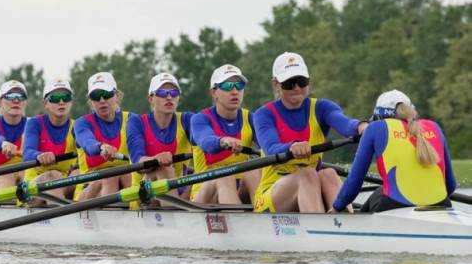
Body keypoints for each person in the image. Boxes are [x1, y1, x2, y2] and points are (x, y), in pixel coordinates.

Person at [253, 52, 367, 213]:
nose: (297, 88)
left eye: (301, 81)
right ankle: (321, 229)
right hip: (271, 195)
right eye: (290, 83)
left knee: (328, 173)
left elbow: (345, 123)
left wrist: (361, 126)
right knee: (307, 174)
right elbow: (271, 147)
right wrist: (292, 147)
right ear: (276, 84)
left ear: (308, 82)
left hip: (309, 187)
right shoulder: (263, 114)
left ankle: (345, 223)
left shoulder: (322, 108)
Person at [330, 90, 456, 213]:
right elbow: (450, 186)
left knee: (378, 194)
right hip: (441, 204)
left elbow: (354, 182)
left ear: (378, 116)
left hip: (395, 206)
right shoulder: (434, 127)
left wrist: (337, 207)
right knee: (380, 191)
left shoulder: (375, 128)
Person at [190, 64, 261, 205]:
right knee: (224, 175)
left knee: (253, 172)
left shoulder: (250, 118)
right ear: (214, 92)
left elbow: (268, 145)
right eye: (228, 86)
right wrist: (222, 141)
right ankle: (241, 220)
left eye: (239, 85)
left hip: (239, 190)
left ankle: (264, 218)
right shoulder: (200, 119)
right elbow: (206, 142)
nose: (235, 91)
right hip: (204, 194)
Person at [127, 73, 193, 206]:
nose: (169, 97)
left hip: (179, 189)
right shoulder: (136, 122)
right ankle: (174, 216)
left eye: (174, 92)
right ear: (151, 98)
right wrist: (157, 159)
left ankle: (175, 210)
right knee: (163, 168)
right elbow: (138, 162)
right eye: (162, 92)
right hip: (142, 192)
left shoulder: (187, 119)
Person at [73, 72, 133, 200]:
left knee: (127, 175)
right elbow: (88, 143)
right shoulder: (82, 123)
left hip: (126, 182)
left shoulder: (132, 120)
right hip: (88, 188)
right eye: (96, 96)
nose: (101, 100)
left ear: (116, 96)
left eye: (106, 95)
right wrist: (101, 147)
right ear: (91, 101)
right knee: (110, 177)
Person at [22, 78, 78, 206]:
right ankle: (62, 219)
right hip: (34, 184)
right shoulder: (34, 123)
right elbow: (27, 153)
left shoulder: (77, 126)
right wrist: (39, 156)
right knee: (52, 175)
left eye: (66, 97)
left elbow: (87, 148)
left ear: (71, 102)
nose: (62, 102)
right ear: (45, 103)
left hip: (65, 182)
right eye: (55, 98)